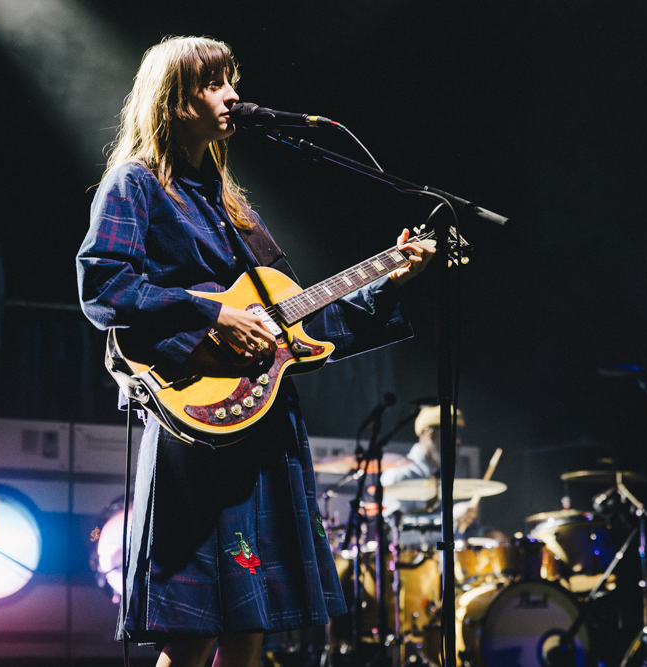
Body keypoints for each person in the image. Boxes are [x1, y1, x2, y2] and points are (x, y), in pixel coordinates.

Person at [76, 36, 435, 667]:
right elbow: (103, 285)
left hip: (263, 423)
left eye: (230, 80)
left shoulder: (230, 204)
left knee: (252, 625)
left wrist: (389, 281)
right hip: (198, 428)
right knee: (193, 633)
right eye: (214, 83)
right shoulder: (134, 185)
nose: (232, 95)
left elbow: (300, 326)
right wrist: (213, 312)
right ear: (174, 99)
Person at [380, 405, 478, 533]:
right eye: (452, 433)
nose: (458, 441)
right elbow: (392, 532)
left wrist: (484, 532)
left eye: (459, 434)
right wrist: (447, 519)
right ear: (429, 434)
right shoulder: (399, 475)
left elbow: (463, 531)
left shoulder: (454, 475)